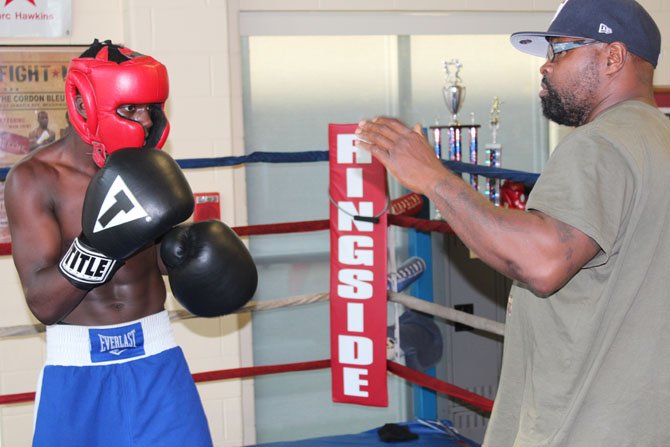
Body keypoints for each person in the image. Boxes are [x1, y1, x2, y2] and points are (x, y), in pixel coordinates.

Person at [355, 0, 670, 445]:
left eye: (559, 51)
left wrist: (433, 179)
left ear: (612, 56)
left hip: (584, 427)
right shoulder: (657, 138)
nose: (545, 68)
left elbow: (541, 262)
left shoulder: (600, 145)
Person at [4, 39, 258, 447]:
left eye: (150, 109)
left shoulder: (147, 167)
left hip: (156, 357)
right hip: (78, 367)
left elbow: (150, 257)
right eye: (129, 109)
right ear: (85, 106)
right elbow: (44, 302)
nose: (143, 122)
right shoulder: (34, 179)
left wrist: (179, 252)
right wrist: (100, 245)